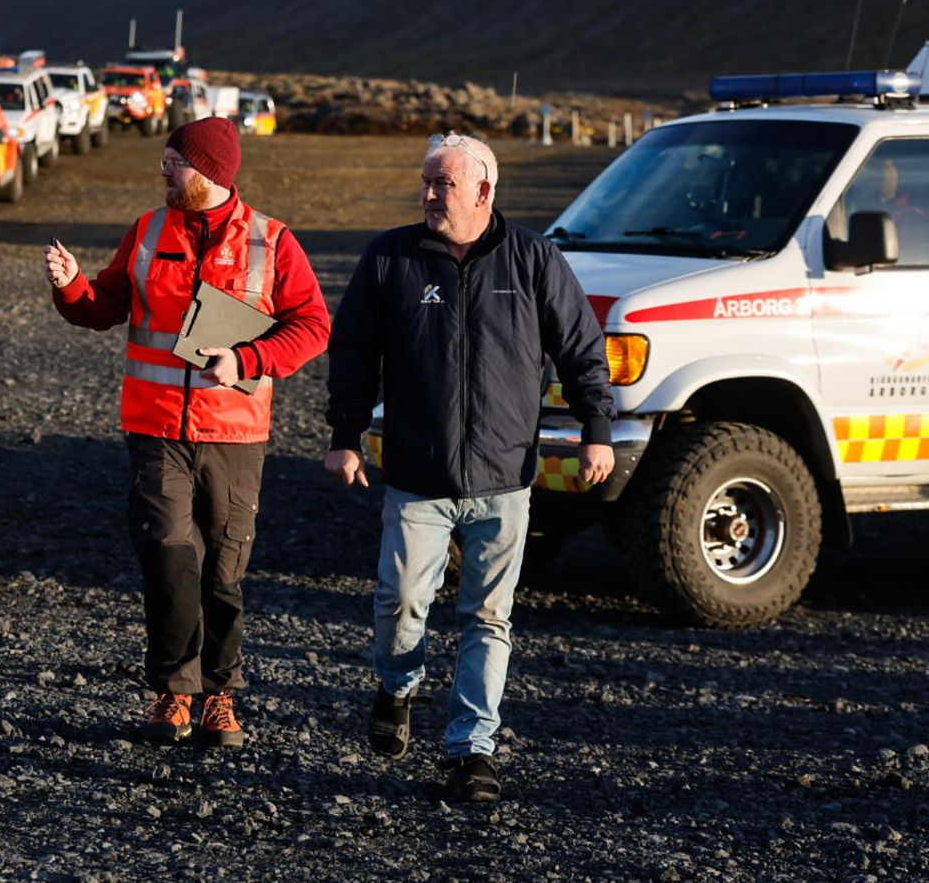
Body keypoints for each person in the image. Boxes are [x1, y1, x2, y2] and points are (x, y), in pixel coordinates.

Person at [323, 131, 614, 803]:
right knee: (400, 602)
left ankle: (471, 749)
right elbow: (354, 352)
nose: (427, 195)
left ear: (483, 190)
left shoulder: (534, 259)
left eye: (441, 184)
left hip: (506, 477)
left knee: (488, 616)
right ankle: (396, 687)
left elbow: (581, 347)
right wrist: (346, 433)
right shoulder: (390, 258)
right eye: (425, 183)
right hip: (417, 475)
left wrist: (596, 428)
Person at [45, 116, 330, 747]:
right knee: (169, 560)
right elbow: (103, 308)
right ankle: (173, 694)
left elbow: (312, 325)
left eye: (174, 162)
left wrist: (249, 360)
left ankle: (219, 697)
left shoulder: (272, 241)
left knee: (224, 573)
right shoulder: (147, 230)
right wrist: (71, 288)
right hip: (154, 430)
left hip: (236, 434)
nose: (164, 171)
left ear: (210, 173)